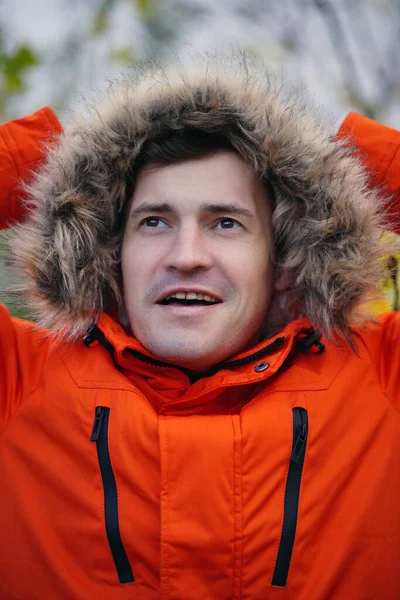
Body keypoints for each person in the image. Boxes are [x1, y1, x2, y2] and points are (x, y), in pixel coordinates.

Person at [0, 56, 399, 600]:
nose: (186, 256)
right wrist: (49, 164)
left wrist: (344, 172)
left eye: (226, 223)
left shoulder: (382, 377)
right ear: (110, 257)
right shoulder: (18, 381)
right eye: (154, 221)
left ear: (283, 266)